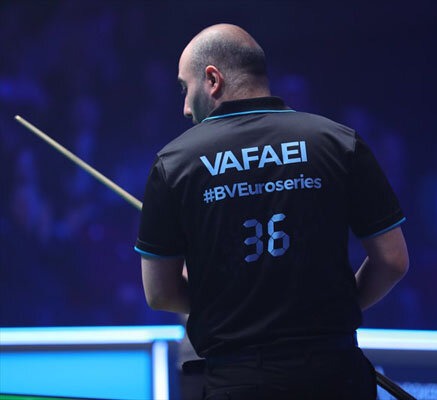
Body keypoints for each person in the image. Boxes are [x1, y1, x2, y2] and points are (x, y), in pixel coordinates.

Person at [134, 23, 409, 400]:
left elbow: (160, 293)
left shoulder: (175, 163)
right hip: (336, 372)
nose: (184, 107)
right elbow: (393, 261)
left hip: (240, 381)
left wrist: (234, 306)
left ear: (212, 79)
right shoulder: (337, 142)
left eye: (185, 88)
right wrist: (328, 315)